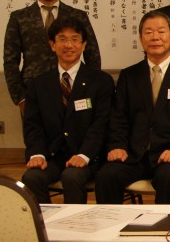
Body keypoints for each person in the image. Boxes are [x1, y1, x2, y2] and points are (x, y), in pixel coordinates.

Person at [94, 10, 170, 204]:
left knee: (168, 177)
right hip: (135, 155)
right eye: (148, 32)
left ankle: (166, 224)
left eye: (161, 31)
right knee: (107, 175)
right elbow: (118, 117)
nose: (155, 37)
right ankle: (110, 223)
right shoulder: (129, 76)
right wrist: (118, 146)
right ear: (141, 40)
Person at [20, 16, 113, 204]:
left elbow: (101, 124)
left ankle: (75, 222)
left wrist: (84, 155)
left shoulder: (100, 81)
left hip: (89, 157)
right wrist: (37, 154)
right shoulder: (38, 84)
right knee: (32, 177)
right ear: (52, 45)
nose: (69, 45)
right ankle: (45, 221)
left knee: (72, 176)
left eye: (75, 39)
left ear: (83, 45)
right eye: (62, 39)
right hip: (53, 157)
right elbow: (32, 125)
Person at [3, 0, 101, 115]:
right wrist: (20, 98)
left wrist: (90, 89)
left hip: (73, 90)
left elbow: (93, 55)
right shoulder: (19, 18)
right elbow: (10, 62)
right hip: (34, 93)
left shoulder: (78, 16)